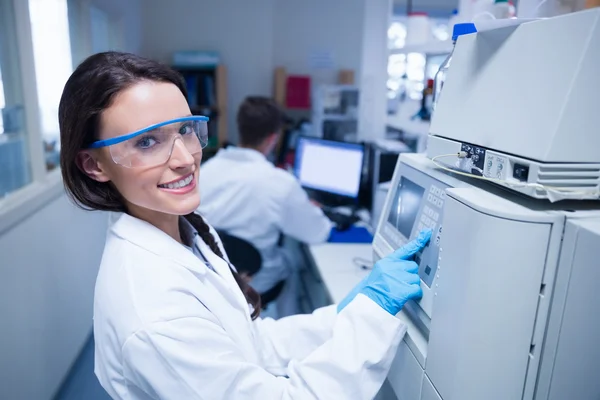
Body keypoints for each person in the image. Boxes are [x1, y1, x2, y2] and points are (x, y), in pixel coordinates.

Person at [59, 51, 431, 400]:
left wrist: (345, 314)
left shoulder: (185, 225)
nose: (185, 158)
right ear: (94, 165)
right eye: (147, 142)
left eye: (186, 130)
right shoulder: (155, 313)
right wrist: (371, 318)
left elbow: (250, 341)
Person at [197, 96, 331, 317]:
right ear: (273, 138)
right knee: (292, 260)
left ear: (240, 128)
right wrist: (313, 210)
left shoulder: (205, 171)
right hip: (255, 283)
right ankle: (286, 325)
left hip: (212, 279)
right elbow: (318, 233)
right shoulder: (280, 183)